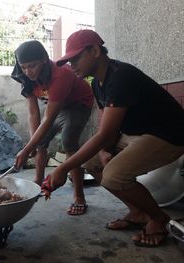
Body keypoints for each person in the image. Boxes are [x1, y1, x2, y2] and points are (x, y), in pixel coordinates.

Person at [42, 29, 184, 247]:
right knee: (92, 163)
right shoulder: (97, 84)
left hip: (169, 135)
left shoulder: (120, 76)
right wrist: (104, 150)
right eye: (69, 61)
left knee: (114, 176)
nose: (72, 66)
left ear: (95, 50)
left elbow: (105, 134)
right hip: (138, 134)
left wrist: (62, 168)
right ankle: (137, 213)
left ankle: (159, 218)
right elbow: (108, 130)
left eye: (76, 58)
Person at [11, 40, 94, 215]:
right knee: (39, 142)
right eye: (24, 67)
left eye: (32, 66)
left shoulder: (60, 74)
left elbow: (48, 118)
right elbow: (34, 113)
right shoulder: (25, 76)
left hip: (79, 103)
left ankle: (79, 197)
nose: (28, 72)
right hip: (59, 106)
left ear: (43, 59)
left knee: (69, 141)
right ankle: (38, 183)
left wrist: (27, 149)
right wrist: (33, 145)